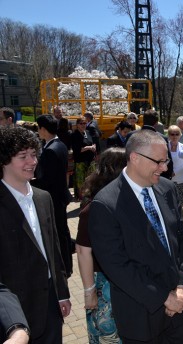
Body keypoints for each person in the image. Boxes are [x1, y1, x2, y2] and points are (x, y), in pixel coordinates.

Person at [88, 130, 183, 343]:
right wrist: (163, 298)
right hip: (141, 316)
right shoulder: (105, 204)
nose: (165, 168)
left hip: (179, 305)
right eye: (158, 162)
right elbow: (117, 267)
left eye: (165, 161)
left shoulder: (167, 189)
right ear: (134, 158)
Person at [0, 127, 71, 344]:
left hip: (49, 302)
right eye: (23, 157)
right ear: (3, 160)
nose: (32, 162)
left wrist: (62, 292)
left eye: (34, 155)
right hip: (13, 306)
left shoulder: (43, 198)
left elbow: (53, 248)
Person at [76, 148, 127, 343]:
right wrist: (89, 292)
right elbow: (82, 251)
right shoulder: (93, 208)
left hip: (124, 280)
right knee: (107, 335)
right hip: (103, 285)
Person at [32, 115, 73, 278]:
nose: (37, 132)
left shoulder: (50, 150)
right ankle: (67, 264)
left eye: (38, 128)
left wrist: (28, 185)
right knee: (63, 232)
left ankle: (65, 266)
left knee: (59, 233)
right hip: (60, 195)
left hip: (54, 198)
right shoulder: (59, 144)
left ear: (43, 129)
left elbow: (46, 180)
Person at [70, 116, 96, 200]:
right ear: (77, 125)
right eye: (81, 123)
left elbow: (92, 142)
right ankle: (82, 200)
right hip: (80, 162)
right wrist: (89, 147)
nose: (83, 125)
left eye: (84, 123)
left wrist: (93, 147)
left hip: (90, 160)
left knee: (90, 180)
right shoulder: (74, 135)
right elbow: (77, 149)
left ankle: (89, 198)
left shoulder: (88, 132)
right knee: (81, 182)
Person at [167, 125, 183, 207]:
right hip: (167, 179)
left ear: (180, 135)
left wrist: (175, 172)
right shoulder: (165, 147)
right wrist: (169, 172)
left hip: (180, 179)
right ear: (169, 135)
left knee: (180, 205)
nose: (174, 136)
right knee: (169, 204)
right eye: (172, 134)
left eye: (177, 134)